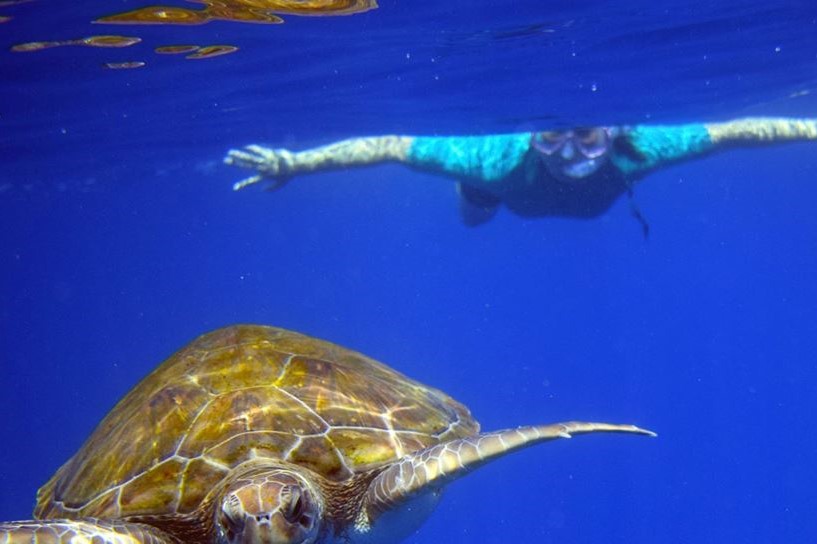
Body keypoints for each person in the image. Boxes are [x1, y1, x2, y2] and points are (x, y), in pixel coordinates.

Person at [224, 117, 817, 235]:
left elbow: (738, 130)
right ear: (533, 137)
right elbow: (391, 146)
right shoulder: (493, 160)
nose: (568, 152)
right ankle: (476, 204)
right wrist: (295, 164)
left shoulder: (644, 148)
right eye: (551, 136)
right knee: (475, 218)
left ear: (611, 133)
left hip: (599, 200)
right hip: (498, 193)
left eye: (585, 135)